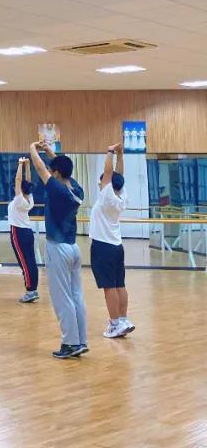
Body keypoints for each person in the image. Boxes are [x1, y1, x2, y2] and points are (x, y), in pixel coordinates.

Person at [29, 140, 88, 359]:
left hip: (58, 249)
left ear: (55, 173)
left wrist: (33, 148)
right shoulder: (76, 189)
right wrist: (49, 151)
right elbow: (60, 168)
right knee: (76, 296)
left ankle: (70, 343)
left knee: (62, 298)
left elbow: (40, 168)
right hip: (73, 248)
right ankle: (80, 340)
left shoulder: (57, 190)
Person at [90, 143, 134, 339]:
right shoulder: (121, 196)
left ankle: (115, 324)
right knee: (119, 285)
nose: (100, 184)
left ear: (106, 184)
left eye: (102, 182)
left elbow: (109, 174)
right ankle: (123, 320)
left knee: (109, 287)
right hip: (117, 247)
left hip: (103, 247)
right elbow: (118, 176)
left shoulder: (106, 196)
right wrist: (120, 155)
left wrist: (109, 151)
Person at [10, 158, 40, 303]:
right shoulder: (29, 199)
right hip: (27, 232)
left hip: (18, 232)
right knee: (30, 261)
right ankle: (33, 289)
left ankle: (30, 291)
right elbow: (27, 181)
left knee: (24, 262)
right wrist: (28, 165)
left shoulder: (19, 200)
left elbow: (18, 180)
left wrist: (20, 164)